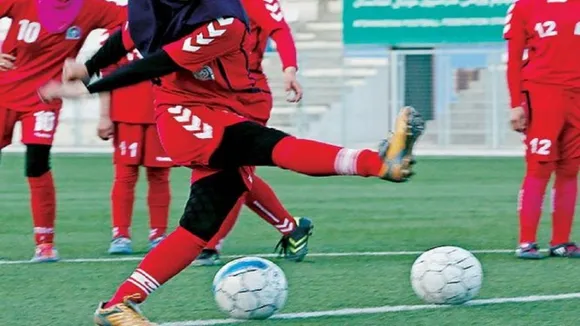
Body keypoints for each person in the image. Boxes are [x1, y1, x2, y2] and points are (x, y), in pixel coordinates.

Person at [39, 0, 424, 323]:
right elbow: (129, 37)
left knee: (197, 228)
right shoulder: (168, 7)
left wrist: (88, 84)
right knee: (271, 147)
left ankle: (118, 306)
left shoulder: (226, 23)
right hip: (186, 114)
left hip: (222, 107)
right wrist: (88, 70)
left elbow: (156, 61)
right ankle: (380, 164)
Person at [0, 0, 126, 262]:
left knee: (37, 164)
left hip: (44, 97)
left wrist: (90, 67)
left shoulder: (93, 7)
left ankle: (45, 243)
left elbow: (131, 22)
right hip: (3, 92)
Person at [193, 0, 311, 266]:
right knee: (225, 169)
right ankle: (291, 229)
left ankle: (210, 245)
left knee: (232, 170)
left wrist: (289, 69)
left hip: (248, 95)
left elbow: (279, 29)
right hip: (213, 93)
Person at [505, 0, 580, 259]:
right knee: (539, 166)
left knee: (570, 169)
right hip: (543, 94)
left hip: (578, 97)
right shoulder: (524, 6)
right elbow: (514, 58)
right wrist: (516, 104)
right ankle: (527, 241)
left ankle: (561, 242)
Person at [97, 29, 173, 255]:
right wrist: (104, 116)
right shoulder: (117, 31)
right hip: (125, 115)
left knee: (159, 176)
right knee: (125, 176)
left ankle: (158, 234)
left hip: (162, 114)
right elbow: (106, 77)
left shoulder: (173, 27)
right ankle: (120, 235)